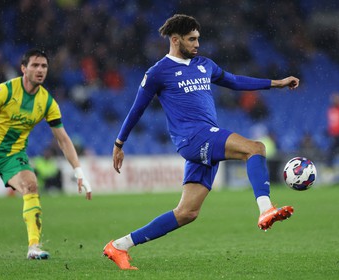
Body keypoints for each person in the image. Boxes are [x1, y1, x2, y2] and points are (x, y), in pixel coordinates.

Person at [103, 14, 299, 270]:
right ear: (175, 40)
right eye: (191, 39)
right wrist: (119, 144)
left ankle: (119, 246)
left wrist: (276, 83)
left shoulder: (205, 64)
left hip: (205, 137)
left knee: (186, 213)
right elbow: (136, 109)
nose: (197, 44)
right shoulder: (158, 73)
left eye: (198, 39)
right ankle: (265, 208)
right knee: (256, 148)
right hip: (193, 137)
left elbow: (235, 81)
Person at [0, 48, 92, 260]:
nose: (40, 70)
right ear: (24, 68)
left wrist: (79, 171)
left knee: (31, 185)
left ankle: (34, 247)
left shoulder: (47, 102)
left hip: (12, 157)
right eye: (35, 65)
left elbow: (63, 139)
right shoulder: (5, 90)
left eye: (44, 66)